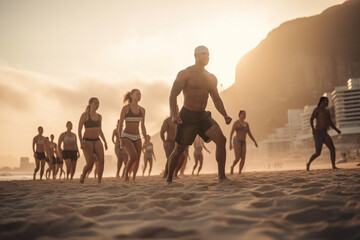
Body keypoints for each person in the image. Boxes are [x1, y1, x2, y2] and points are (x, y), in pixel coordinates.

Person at [166, 45, 232, 184]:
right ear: (196, 56)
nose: (206, 57)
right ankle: (169, 179)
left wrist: (225, 115)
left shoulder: (211, 77)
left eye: (208, 54)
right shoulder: (185, 73)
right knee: (179, 149)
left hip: (203, 116)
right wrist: (174, 115)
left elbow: (216, 98)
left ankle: (222, 176)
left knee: (221, 140)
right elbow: (173, 95)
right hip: (187, 115)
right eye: (203, 54)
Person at [118, 89, 147, 181]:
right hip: (126, 136)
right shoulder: (126, 108)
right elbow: (120, 124)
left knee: (137, 158)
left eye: (140, 94)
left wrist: (145, 137)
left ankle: (134, 178)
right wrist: (120, 138)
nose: (139, 96)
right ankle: (126, 174)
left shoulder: (142, 110)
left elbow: (142, 126)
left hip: (137, 136)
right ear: (131, 95)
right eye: (137, 94)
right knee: (133, 156)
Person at [307, 96, 341, 170]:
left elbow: (330, 123)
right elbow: (311, 119)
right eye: (326, 101)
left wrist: (337, 130)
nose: (327, 102)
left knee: (332, 148)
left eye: (328, 101)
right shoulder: (317, 110)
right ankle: (308, 163)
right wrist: (313, 129)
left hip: (324, 133)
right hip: (317, 134)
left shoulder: (327, 111)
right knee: (318, 153)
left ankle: (333, 166)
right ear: (322, 102)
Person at [78, 97, 108, 183]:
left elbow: (100, 130)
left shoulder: (99, 116)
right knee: (90, 163)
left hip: (97, 140)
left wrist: (105, 142)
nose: (97, 105)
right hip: (87, 141)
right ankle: (83, 175)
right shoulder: (84, 115)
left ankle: (99, 181)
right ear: (90, 104)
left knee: (101, 160)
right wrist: (81, 142)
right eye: (95, 103)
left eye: (98, 103)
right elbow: (79, 130)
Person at [229, 110, 258, 175]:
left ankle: (239, 172)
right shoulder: (236, 123)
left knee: (243, 157)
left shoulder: (247, 124)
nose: (244, 116)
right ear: (239, 115)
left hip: (243, 141)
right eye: (243, 114)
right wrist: (230, 144)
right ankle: (232, 167)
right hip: (237, 141)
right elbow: (231, 133)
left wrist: (254, 141)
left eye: (245, 114)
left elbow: (249, 133)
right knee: (237, 157)